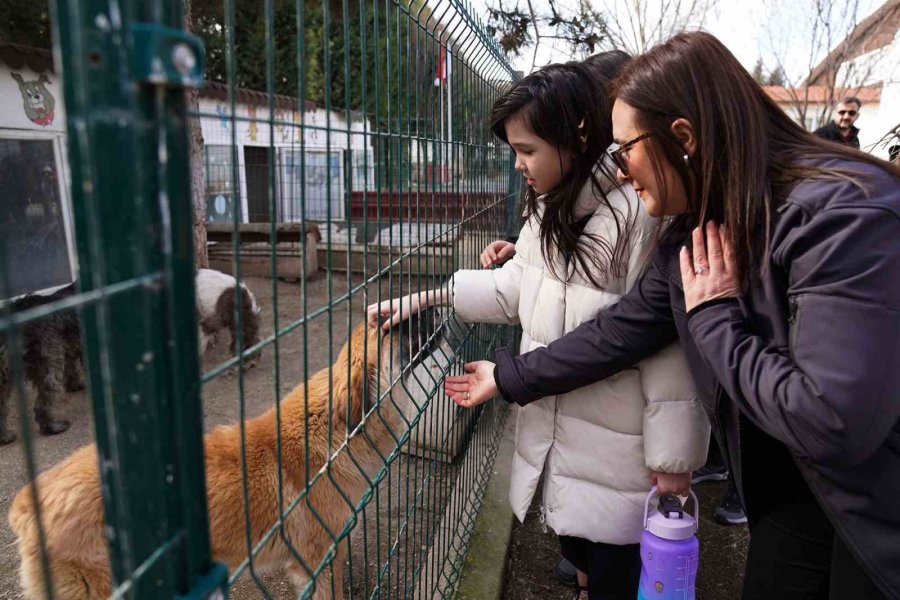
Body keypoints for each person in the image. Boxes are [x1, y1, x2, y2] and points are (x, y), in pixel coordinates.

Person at [444, 32, 900, 600]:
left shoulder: (843, 214)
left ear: (680, 137)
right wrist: (510, 376)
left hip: (873, 509)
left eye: (624, 149)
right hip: (789, 489)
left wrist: (713, 317)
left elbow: (830, 420)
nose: (618, 169)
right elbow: (622, 330)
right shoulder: (700, 225)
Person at [369, 57, 709, 600]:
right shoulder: (550, 207)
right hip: (560, 430)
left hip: (621, 450)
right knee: (577, 549)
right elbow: (513, 287)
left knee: (617, 568)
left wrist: (674, 461)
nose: (519, 165)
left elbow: (669, 349)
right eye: (514, 152)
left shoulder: (643, 215)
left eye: (527, 151)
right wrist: (427, 297)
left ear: (574, 135)